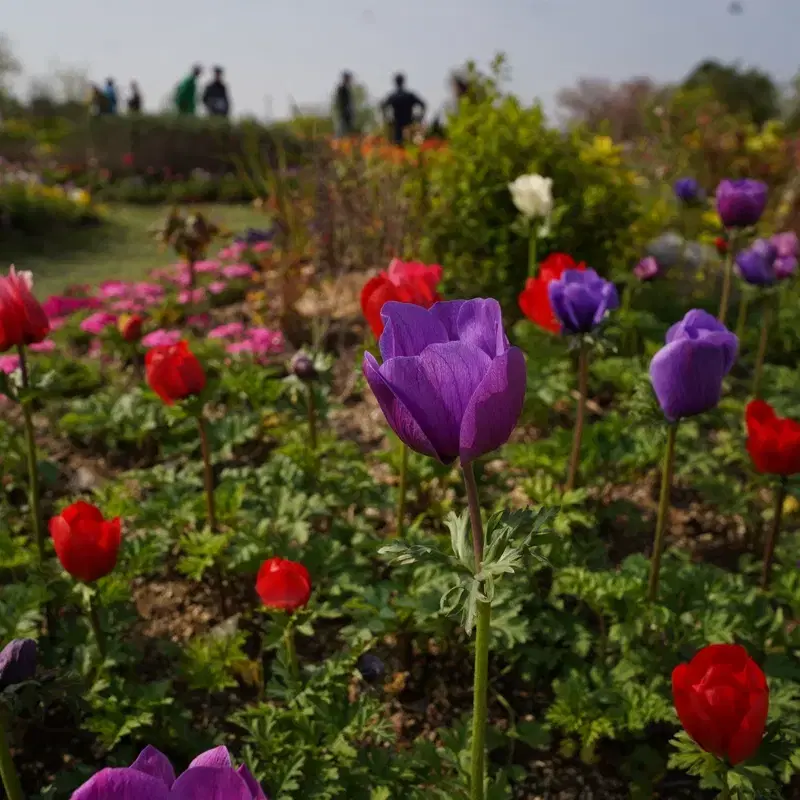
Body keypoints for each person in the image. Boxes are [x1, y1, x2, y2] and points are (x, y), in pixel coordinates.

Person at [381, 73, 426, 146]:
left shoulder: (393, 96)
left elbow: (383, 106)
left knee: (398, 147)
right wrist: (419, 117)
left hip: (397, 126)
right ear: (403, 81)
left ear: (395, 82)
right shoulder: (409, 95)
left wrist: (387, 119)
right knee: (410, 146)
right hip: (408, 125)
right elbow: (423, 104)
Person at [334, 71, 354, 137]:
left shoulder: (348, 89)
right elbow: (340, 102)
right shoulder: (341, 89)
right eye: (348, 78)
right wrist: (345, 109)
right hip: (343, 113)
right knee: (341, 130)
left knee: (347, 131)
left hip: (348, 114)